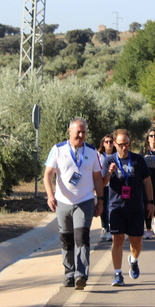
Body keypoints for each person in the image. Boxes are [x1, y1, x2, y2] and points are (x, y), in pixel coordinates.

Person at [44, 117, 104, 290]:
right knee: (66, 240)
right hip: (62, 202)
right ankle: (69, 274)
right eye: (78, 131)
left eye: (84, 131)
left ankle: (81, 275)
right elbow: (48, 174)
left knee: (82, 238)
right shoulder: (58, 149)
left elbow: (97, 178)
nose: (81, 135)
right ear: (69, 131)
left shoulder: (92, 151)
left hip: (84, 201)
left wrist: (100, 200)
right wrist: (50, 195)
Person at [102, 129, 155, 286]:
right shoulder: (108, 161)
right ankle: (118, 274)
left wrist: (151, 202)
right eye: (120, 144)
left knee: (136, 242)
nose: (124, 148)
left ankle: (133, 260)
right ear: (114, 144)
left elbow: (147, 182)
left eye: (126, 144)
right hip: (116, 208)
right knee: (117, 240)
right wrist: (109, 173)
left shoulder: (138, 160)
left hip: (136, 207)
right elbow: (103, 183)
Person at [98, 134, 116, 242]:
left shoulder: (116, 155)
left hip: (113, 185)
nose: (109, 144)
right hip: (102, 184)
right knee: (102, 207)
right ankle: (104, 227)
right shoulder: (98, 155)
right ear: (103, 143)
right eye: (106, 142)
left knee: (110, 207)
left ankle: (109, 230)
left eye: (111, 141)